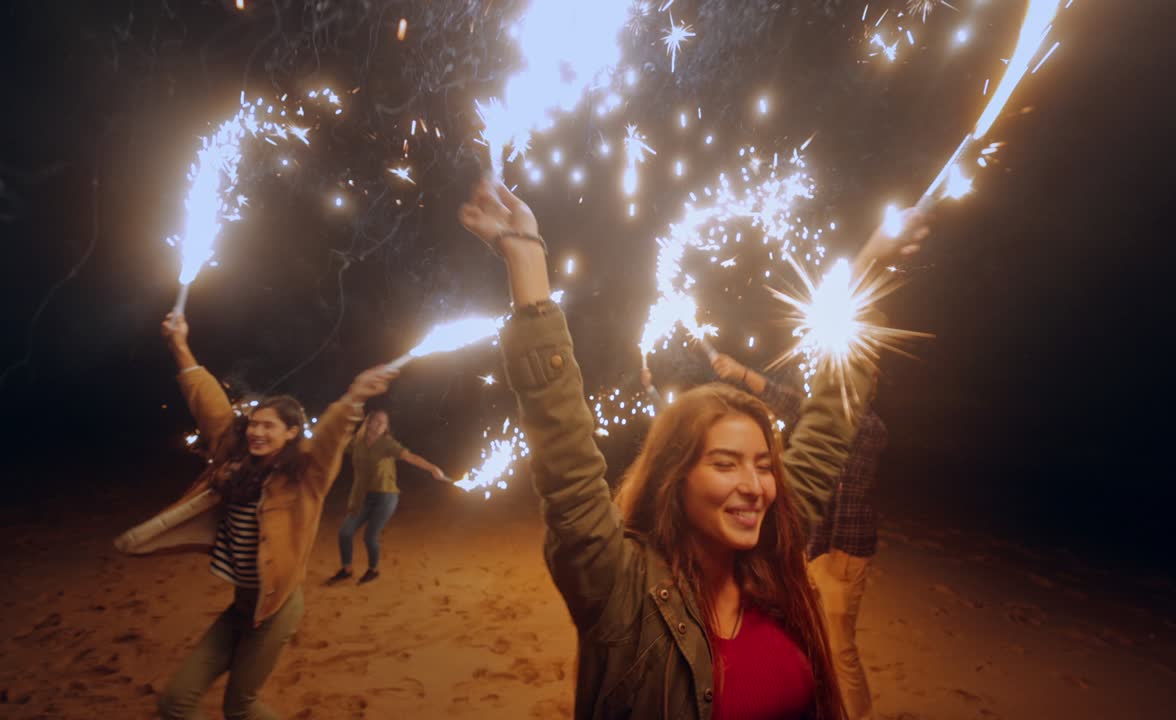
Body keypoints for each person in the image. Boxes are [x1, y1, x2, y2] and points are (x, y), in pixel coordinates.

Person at [458, 179, 927, 719]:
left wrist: (869, 265)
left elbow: (826, 423)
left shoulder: (774, 560)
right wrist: (525, 259)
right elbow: (565, 454)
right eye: (725, 464)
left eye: (763, 465)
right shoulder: (619, 588)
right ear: (674, 478)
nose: (754, 486)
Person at [116, 312, 393, 720]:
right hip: (242, 604)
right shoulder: (234, 460)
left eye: (268, 427)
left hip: (277, 608)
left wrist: (354, 399)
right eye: (253, 425)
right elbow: (207, 402)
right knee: (175, 702)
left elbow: (334, 437)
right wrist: (179, 345)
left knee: (240, 707)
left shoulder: (305, 478)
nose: (256, 433)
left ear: (292, 433)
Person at [710, 351, 888, 720]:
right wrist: (742, 373)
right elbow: (796, 406)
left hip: (846, 551)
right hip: (822, 546)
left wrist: (743, 374)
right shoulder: (849, 420)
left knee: (839, 646)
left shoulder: (869, 427)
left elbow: (802, 414)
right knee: (818, 637)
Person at [325, 408, 450, 585]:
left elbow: (410, 457)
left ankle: (373, 570)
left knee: (370, 536)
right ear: (368, 422)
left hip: (385, 496)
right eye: (375, 421)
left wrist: (432, 469)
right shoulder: (356, 443)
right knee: (345, 532)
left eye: (382, 423)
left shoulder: (387, 444)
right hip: (362, 496)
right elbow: (336, 446)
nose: (377, 425)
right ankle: (346, 569)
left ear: (386, 428)